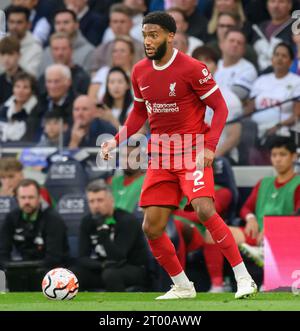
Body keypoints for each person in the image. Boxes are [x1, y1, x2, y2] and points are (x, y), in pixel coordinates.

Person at [101, 11, 257, 300]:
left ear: (170, 36)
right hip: (160, 155)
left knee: (204, 208)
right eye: (145, 35)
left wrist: (210, 146)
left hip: (192, 150)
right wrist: (116, 141)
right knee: (152, 226)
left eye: (154, 34)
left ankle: (243, 277)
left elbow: (220, 108)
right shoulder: (139, 71)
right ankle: (183, 286)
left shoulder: (192, 68)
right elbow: (138, 112)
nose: (148, 40)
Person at [75, 180, 149, 291]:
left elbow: (118, 257)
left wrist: (101, 229)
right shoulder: (87, 221)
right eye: (91, 201)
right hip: (103, 267)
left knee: (111, 274)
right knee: (75, 274)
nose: (96, 206)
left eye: (100, 200)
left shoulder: (127, 220)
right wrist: (102, 265)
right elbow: (82, 258)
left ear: (111, 200)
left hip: (132, 268)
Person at [0, 179, 68, 291]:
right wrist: (9, 267)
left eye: (31, 197)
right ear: (17, 198)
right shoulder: (11, 218)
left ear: (39, 197)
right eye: (23, 198)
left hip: (50, 269)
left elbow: (54, 257)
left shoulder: (53, 219)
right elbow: (3, 251)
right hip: (21, 268)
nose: (27, 201)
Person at [246, 42, 300, 163]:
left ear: (291, 62)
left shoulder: (297, 82)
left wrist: (277, 126)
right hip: (257, 129)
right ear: (272, 59)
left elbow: (296, 115)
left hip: (282, 129)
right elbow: (249, 110)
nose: (279, 58)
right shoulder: (261, 80)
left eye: (284, 56)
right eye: (277, 55)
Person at [192, 46, 242, 164]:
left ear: (217, 66)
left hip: (219, 157)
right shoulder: (181, 97)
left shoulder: (229, 98)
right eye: (199, 61)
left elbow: (233, 137)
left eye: (208, 61)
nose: (203, 65)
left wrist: (209, 156)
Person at [39, 9, 94, 75]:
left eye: (66, 22)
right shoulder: (47, 51)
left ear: (76, 25)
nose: (61, 27)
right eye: (58, 23)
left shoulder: (89, 51)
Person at [214, 27, 257, 101]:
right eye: (231, 41)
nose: (235, 44)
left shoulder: (248, 69)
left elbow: (235, 96)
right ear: (221, 44)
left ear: (244, 50)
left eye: (239, 43)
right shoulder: (213, 65)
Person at [88, 36, 135, 104]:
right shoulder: (103, 72)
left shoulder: (137, 74)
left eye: (122, 51)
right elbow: (91, 97)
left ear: (131, 54)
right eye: (115, 51)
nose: (118, 54)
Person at [251, 0, 295, 71]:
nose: (276, 6)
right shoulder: (258, 28)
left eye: (281, 2)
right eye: (272, 1)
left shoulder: (296, 28)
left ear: (289, 5)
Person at [0, 71, 42, 143]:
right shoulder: (4, 108)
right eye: (17, 86)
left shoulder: (38, 111)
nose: (20, 91)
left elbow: (31, 138)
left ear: (32, 91)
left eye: (25, 87)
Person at [6, 5, 42, 77]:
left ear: (28, 25)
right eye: (11, 22)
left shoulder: (36, 47)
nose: (14, 27)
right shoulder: (1, 42)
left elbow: (32, 76)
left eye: (19, 22)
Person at [0, 36, 24, 106]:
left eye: (10, 54)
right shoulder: (1, 79)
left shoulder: (26, 79)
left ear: (19, 55)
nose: (6, 59)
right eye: (3, 54)